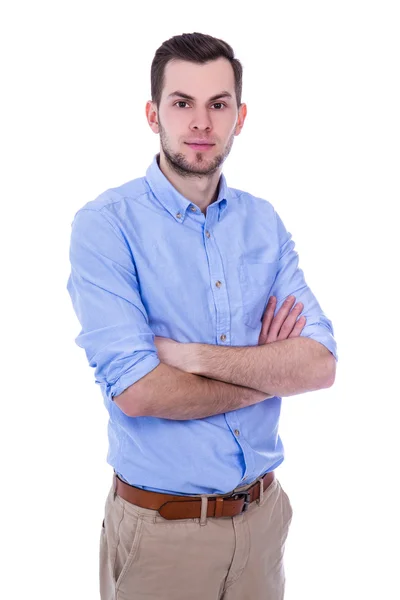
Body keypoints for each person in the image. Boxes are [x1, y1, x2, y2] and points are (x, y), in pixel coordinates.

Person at [66, 31, 338, 600]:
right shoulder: (106, 226)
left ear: (240, 117)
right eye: (181, 102)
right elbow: (139, 392)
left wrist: (190, 359)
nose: (201, 122)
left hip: (263, 524)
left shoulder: (263, 222)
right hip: (163, 537)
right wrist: (266, 372)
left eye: (218, 104)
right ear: (152, 113)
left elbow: (317, 365)